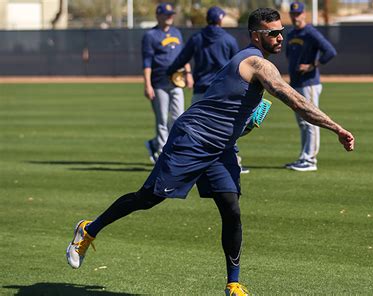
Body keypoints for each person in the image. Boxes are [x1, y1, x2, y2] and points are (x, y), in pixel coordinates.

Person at [66, 8, 354, 296]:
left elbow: (224, 106)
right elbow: (295, 100)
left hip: (220, 147)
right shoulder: (256, 62)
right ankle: (89, 229)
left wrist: (244, 125)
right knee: (148, 198)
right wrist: (336, 128)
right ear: (256, 35)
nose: (280, 37)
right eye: (273, 33)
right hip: (192, 139)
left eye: (282, 32)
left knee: (231, 209)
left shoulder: (251, 62)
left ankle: (233, 284)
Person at [165, 6, 252, 174]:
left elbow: (183, 58)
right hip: (222, 92)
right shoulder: (228, 39)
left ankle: (193, 163)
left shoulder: (197, 38)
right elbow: (239, 64)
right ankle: (233, 163)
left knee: (195, 129)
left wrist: (170, 71)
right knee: (225, 129)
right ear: (220, 19)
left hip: (201, 91)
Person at [285, 1, 337, 172]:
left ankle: (310, 160)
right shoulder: (292, 34)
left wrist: (312, 65)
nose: (295, 16)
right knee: (302, 123)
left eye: (298, 13)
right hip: (296, 83)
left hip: (309, 84)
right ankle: (303, 157)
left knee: (311, 121)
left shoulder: (311, 32)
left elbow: (330, 51)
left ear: (304, 14)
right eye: (293, 14)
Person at [142, 3, 192, 164]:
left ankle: (166, 147)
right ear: (158, 16)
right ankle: (162, 153)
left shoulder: (176, 32)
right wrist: (147, 85)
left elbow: (184, 56)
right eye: (166, 14)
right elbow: (147, 62)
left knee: (178, 118)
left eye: (171, 14)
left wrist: (189, 74)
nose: (170, 16)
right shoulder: (150, 36)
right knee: (162, 119)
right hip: (158, 83)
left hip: (177, 82)